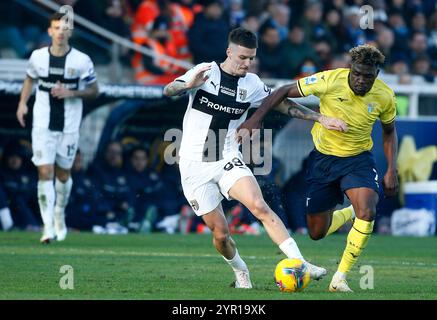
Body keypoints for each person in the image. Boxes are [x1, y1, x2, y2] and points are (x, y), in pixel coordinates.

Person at [163, 27, 347, 288]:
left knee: (259, 206)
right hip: (193, 165)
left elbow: (281, 103)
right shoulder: (206, 71)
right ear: (229, 52)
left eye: (251, 58)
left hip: (226, 156)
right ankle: (240, 271)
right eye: (243, 58)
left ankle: (300, 262)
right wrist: (186, 86)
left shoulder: (251, 84)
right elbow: (169, 89)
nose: (247, 64)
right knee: (221, 234)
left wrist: (319, 117)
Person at [238, 44, 399, 292]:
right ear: (349, 68)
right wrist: (255, 119)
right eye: (356, 73)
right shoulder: (329, 79)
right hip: (323, 160)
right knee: (316, 232)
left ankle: (340, 278)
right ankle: (349, 213)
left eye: (367, 75)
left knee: (367, 211)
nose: (360, 79)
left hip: (358, 159)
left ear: (376, 74)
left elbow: (389, 132)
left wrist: (391, 170)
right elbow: (282, 91)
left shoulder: (385, 95)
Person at [16, 12, 99, 243]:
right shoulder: (38, 56)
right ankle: (47, 227)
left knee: (63, 174)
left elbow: (95, 90)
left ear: (70, 31)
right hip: (43, 123)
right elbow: (29, 78)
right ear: (49, 31)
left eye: (65, 28)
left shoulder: (82, 60)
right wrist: (22, 103)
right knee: (45, 172)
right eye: (56, 28)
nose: (60, 32)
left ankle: (59, 213)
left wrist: (71, 92)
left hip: (69, 125)